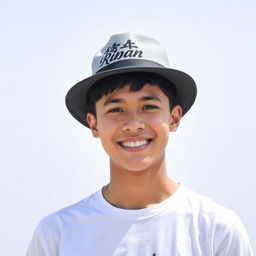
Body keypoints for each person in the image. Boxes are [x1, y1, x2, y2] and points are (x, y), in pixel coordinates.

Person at [26, 32, 254, 256]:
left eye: (149, 107)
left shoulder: (216, 230)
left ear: (174, 118)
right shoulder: (57, 236)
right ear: (94, 124)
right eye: (115, 109)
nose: (133, 124)